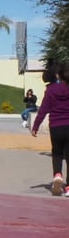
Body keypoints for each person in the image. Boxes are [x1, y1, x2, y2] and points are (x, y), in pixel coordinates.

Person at [31, 64, 69, 196]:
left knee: (57, 153)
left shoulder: (50, 90)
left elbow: (43, 110)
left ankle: (57, 175)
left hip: (56, 127)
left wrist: (35, 126)